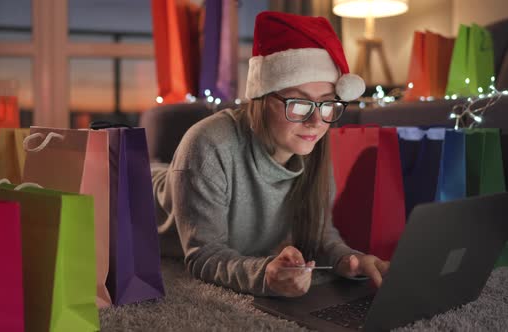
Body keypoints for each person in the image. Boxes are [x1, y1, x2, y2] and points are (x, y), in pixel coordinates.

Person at [152, 11, 389, 297]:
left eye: (326, 104)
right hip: (131, 194)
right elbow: (204, 255)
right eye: (300, 104)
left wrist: (348, 259)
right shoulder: (208, 143)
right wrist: (265, 275)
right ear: (262, 99)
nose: (315, 122)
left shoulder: (311, 144)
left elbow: (320, 232)